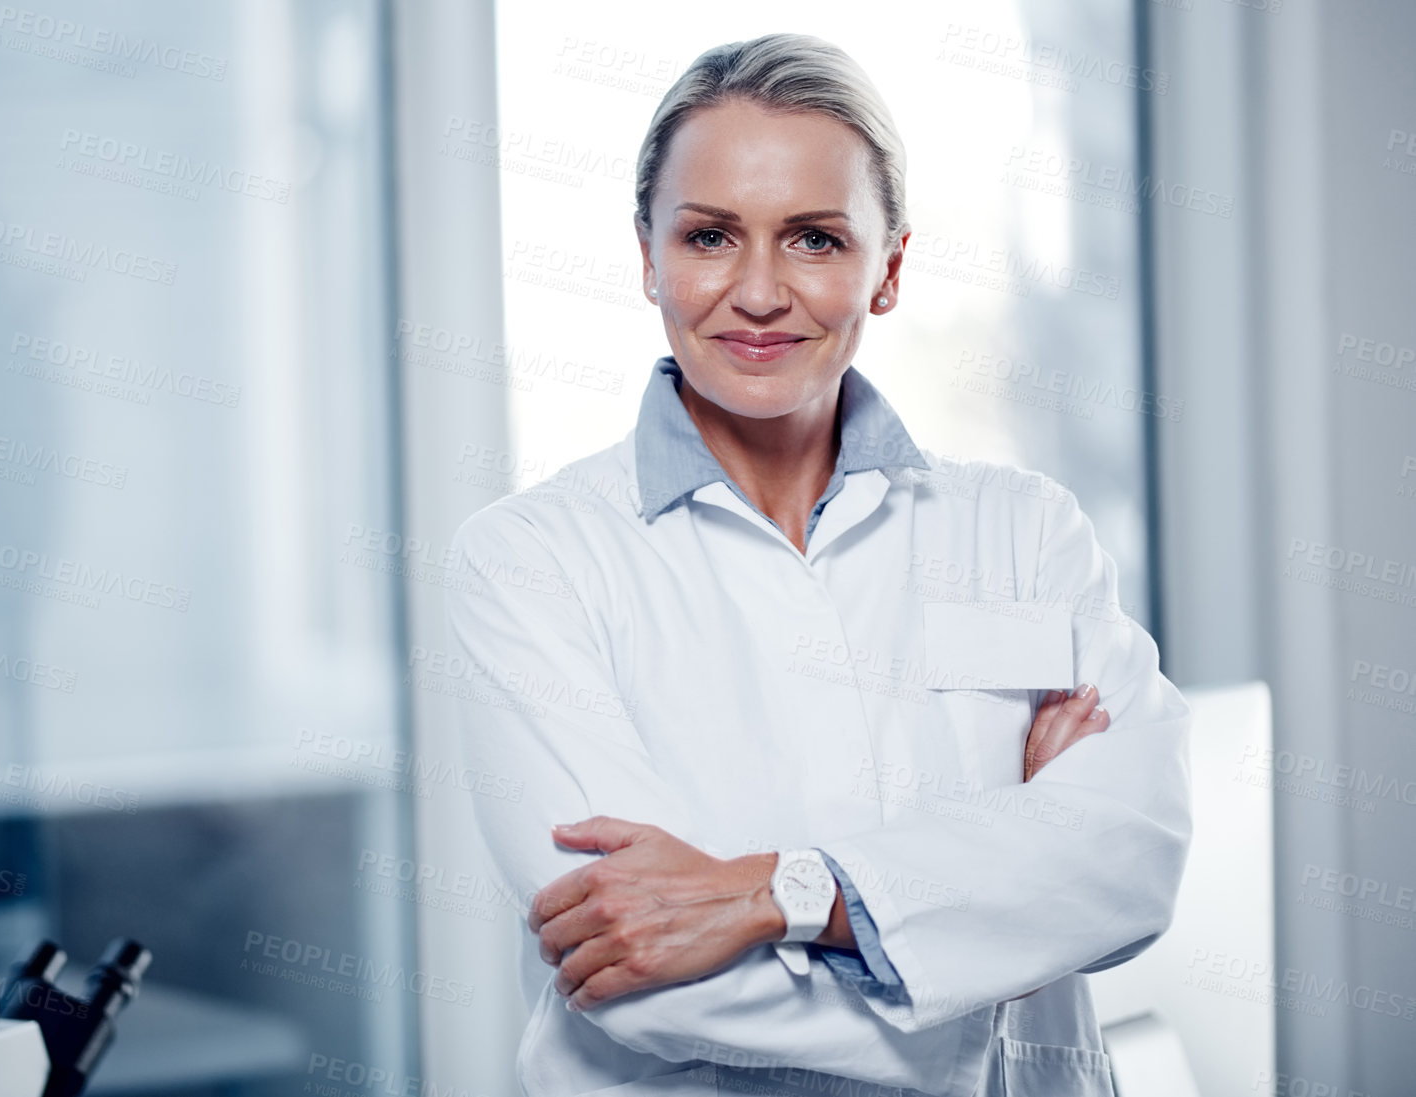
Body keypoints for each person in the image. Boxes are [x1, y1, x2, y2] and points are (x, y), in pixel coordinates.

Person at [442, 32, 1192, 1097]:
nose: (756, 292)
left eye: (814, 239)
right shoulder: (532, 561)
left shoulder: (1026, 532)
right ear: (647, 255)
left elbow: (1130, 854)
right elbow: (638, 966)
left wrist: (774, 894)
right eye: (709, 236)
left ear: (887, 268)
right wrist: (1001, 903)